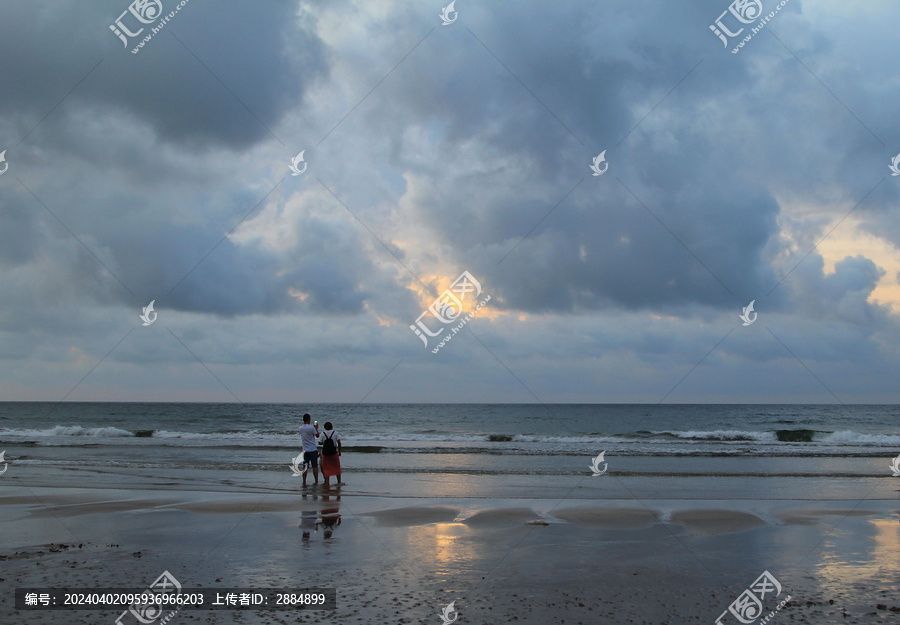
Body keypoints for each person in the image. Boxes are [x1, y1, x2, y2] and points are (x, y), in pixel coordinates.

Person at [317, 421, 342, 489]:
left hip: (325, 453)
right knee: (337, 467)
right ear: (332, 427)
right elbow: (339, 442)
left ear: (325, 427)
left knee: (326, 467)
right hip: (333, 452)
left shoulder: (323, 433)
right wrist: (339, 451)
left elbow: (319, 442)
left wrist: (325, 443)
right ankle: (339, 481)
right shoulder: (335, 433)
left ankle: (327, 482)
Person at [298, 413, 319, 487]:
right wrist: (316, 428)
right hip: (312, 449)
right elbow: (317, 435)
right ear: (309, 419)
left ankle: (304, 481)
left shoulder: (300, 428)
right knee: (315, 466)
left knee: (305, 466)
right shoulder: (311, 428)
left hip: (305, 449)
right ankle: (316, 481)